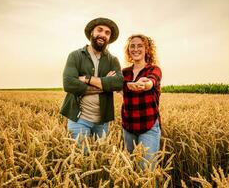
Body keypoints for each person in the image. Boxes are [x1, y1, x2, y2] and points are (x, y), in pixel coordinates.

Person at [60, 17, 123, 140]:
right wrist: (105, 84)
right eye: (99, 30)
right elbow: (68, 83)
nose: (103, 34)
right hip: (79, 119)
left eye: (107, 32)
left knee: (100, 157)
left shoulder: (113, 60)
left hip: (102, 122)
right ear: (91, 33)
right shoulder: (76, 56)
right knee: (80, 158)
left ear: (109, 38)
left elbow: (118, 83)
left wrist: (87, 79)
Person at [121, 34, 162, 169]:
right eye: (132, 46)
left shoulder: (153, 69)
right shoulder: (124, 72)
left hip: (149, 126)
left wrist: (145, 84)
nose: (136, 49)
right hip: (128, 127)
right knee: (131, 168)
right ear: (128, 50)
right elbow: (114, 86)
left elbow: (151, 81)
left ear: (147, 49)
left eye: (140, 46)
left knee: (147, 171)